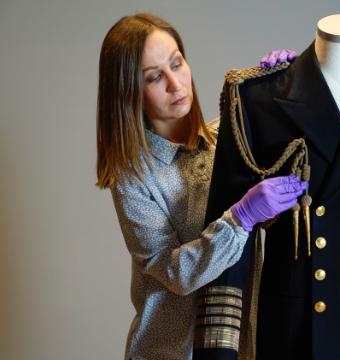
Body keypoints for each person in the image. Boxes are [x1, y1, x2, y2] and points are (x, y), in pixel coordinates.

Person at [94, 13, 305, 360]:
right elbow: (176, 273)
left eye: (177, 64)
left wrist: (284, 85)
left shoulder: (229, 138)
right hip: (170, 353)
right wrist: (240, 218)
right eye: (154, 77)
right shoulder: (132, 179)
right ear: (128, 92)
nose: (176, 85)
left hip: (242, 347)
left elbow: (294, 155)